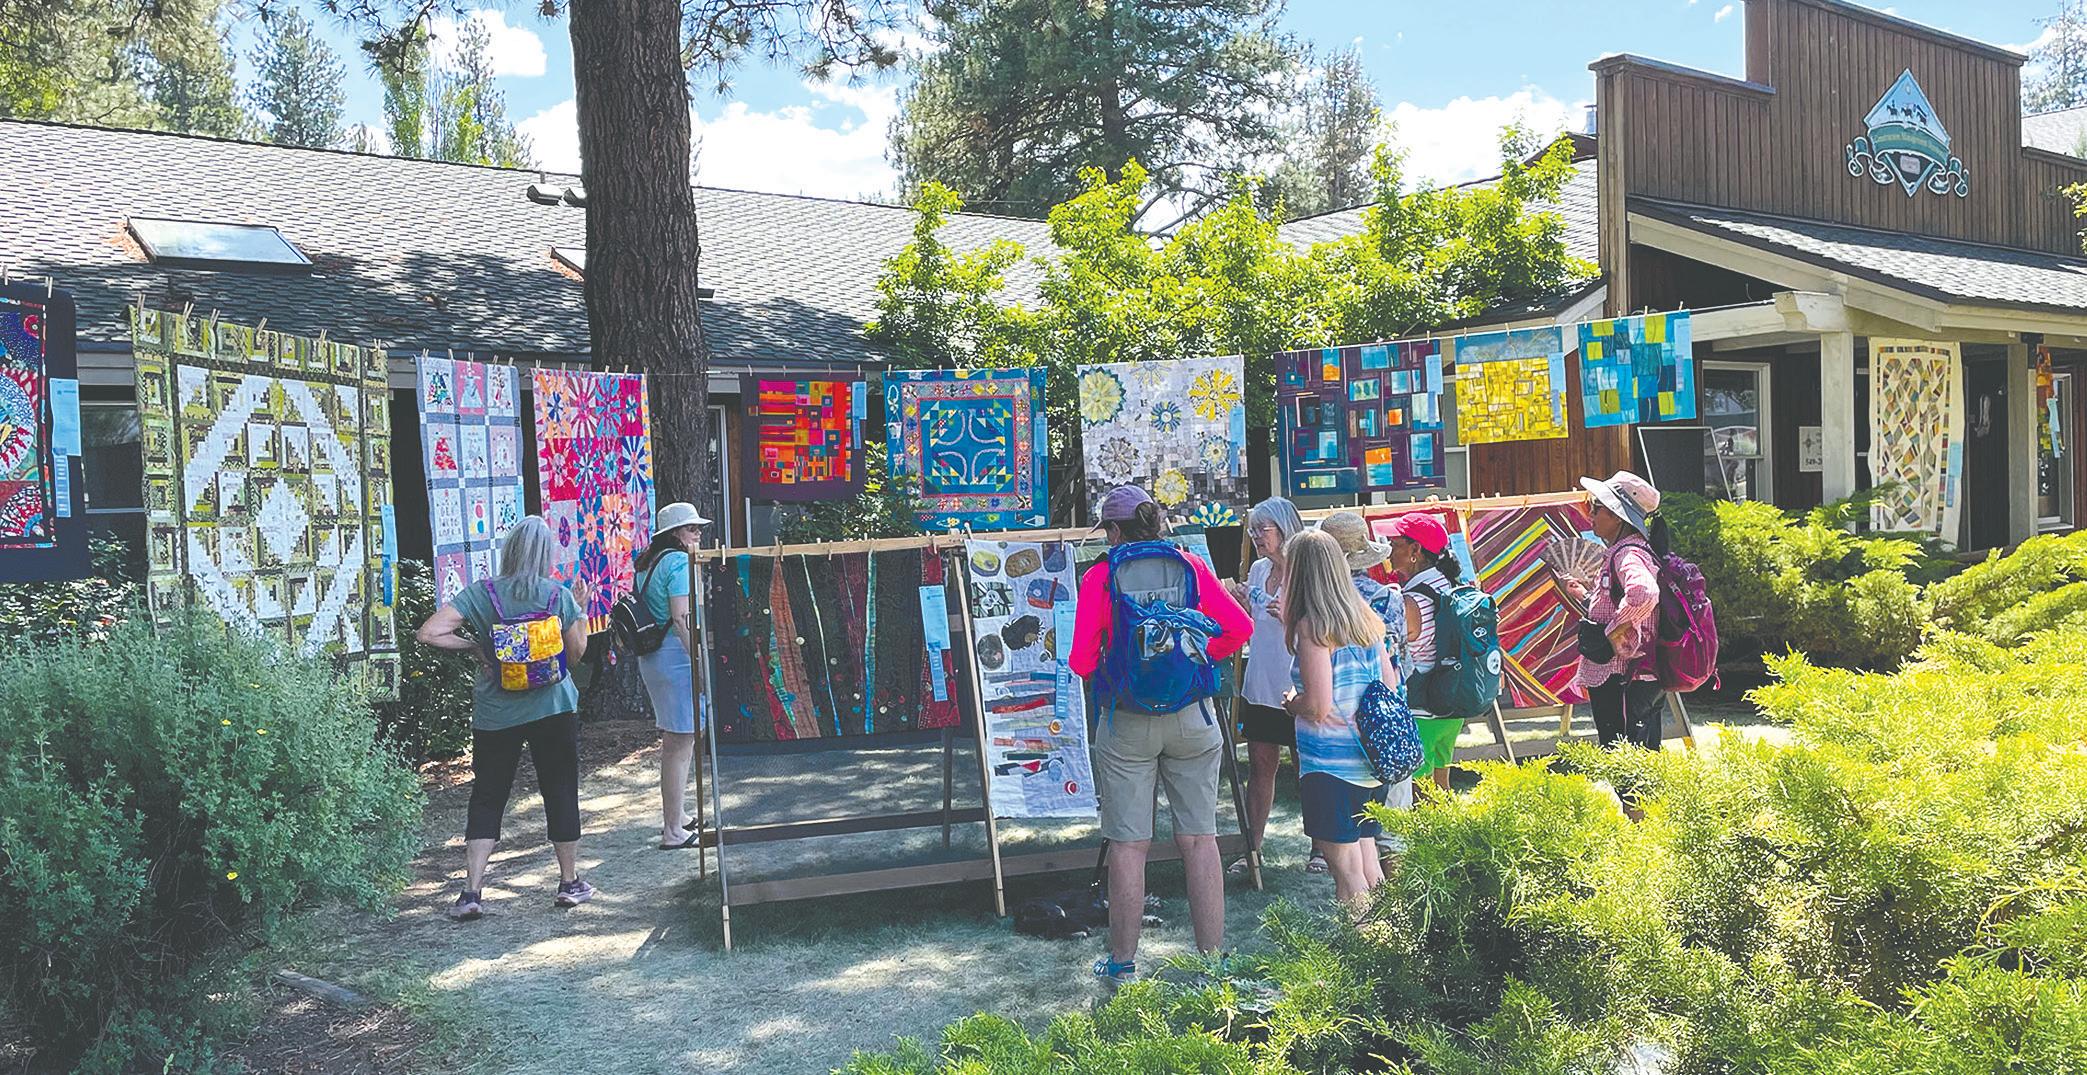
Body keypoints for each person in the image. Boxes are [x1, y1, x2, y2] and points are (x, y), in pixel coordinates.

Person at [1070, 485, 1252, 986]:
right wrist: (1197, 658)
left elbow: (1081, 660)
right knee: (1200, 839)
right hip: (1193, 715)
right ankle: (1212, 962)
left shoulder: (1100, 576)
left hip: (1127, 721)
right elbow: (1238, 628)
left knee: (1129, 846)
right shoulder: (1189, 565)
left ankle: (1123, 964)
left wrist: (1120, 669)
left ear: (1113, 530)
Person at [416, 516, 594, 919]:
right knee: (560, 789)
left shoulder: (482, 594)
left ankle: (471, 892)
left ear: (509, 550)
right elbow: (575, 654)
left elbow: (428, 633)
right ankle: (569, 883)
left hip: (496, 713)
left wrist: (474, 647)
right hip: (553, 707)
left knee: (488, 795)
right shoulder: (557, 595)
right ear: (546, 555)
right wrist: (580, 610)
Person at [1279, 529, 1397, 905]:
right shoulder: (1365, 618)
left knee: (1346, 871)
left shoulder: (1312, 627)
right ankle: (1391, 934)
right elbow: (1390, 685)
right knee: (1368, 859)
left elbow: (1318, 706)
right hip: (1370, 759)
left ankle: (1363, 938)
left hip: (1330, 764)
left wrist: (1292, 702)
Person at [1314, 511, 1414, 837]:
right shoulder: (1388, 597)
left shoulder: (1317, 604)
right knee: (1392, 820)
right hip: (1386, 712)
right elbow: (1401, 659)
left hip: (1337, 720)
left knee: (1348, 828)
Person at [1225, 496, 1304, 877]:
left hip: (1300, 682)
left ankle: (1321, 849)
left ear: (1284, 529)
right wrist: (1240, 605)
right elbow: (1252, 625)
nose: (1256, 536)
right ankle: (1251, 849)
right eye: (1253, 529)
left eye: (1263, 529)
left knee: (1309, 769)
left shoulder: (1307, 569)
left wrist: (1291, 617)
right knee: (1259, 767)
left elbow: (1326, 623)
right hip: (1261, 683)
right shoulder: (1258, 570)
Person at [1567, 471, 1667, 754]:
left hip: (1622, 676)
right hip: (1633, 676)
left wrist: (1613, 633)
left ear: (1616, 516)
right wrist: (1587, 597)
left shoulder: (1628, 554)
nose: (1590, 515)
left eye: (1595, 508)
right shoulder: (1629, 551)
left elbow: (1644, 593)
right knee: (1640, 755)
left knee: (1624, 757)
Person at [632, 502, 711, 850]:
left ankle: (677, 816)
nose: (698, 534)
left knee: (678, 741)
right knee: (680, 742)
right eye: (692, 529)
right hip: (675, 656)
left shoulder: (649, 562)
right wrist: (699, 657)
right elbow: (681, 617)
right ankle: (673, 830)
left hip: (654, 656)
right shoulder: (679, 562)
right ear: (675, 534)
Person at [1382, 512, 1465, 793]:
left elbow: (1393, 648)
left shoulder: (1412, 599)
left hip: (1422, 707)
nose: (1389, 550)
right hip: (1451, 701)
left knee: (1418, 796)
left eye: (1395, 544)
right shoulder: (1450, 584)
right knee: (1441, 790)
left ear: (1415, 550)